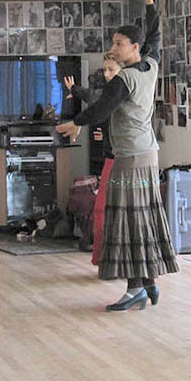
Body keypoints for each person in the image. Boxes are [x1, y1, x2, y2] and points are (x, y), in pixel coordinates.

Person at [56, 0, 178, 310]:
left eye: (119, 43)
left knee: (128, 222)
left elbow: (99, 109)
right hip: (147, 155)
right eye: (114, 42)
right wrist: (149, 1)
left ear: (133, 48)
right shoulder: (150, 64)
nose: (113, 48)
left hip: (130, 158)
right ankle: (148, 282)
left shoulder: (124, 78)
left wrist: (74, 122)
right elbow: (154, 33)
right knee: (141, 219)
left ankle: (136, 288)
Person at [64, 54, 121, 266]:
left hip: (122, 160)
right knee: (102, 208)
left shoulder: (119, 91)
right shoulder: (109, 91)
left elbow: (96, 100)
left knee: (107, 208)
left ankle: (110, 258)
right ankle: (104, 257)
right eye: (104, 70)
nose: (106, 75)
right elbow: (98, 103)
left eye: (111, 70)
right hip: (112, 155)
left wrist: (74, 91)